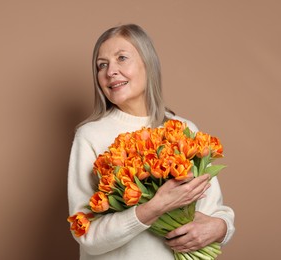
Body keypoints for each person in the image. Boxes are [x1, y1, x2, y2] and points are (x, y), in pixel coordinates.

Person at [67, 23, 235, 260]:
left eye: (121, 58)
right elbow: (87, 234)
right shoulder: (90, 136)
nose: (110, 71)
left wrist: (221, 227)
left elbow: (214, 211)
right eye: (101, 65)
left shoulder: (183, 130)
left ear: (148, 64)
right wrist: (154, 207)